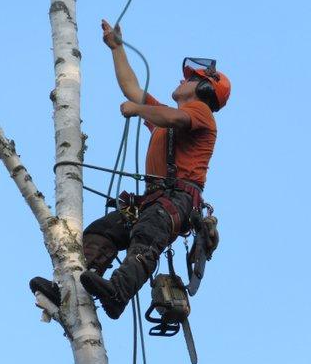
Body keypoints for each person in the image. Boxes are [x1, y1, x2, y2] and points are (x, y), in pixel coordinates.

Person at [30, 20, 231, 319]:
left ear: (203, 88)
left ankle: (118, 292)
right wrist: (117, 48)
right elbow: (132, 89)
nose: (182, 79)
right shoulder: (166, 118)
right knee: (103, 231)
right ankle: (70, 289)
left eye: (190, 79)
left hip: (175, 201)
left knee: (146, 237)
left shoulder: (199, 113)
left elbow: (170, 118)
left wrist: (138, 110)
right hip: (154, 200)